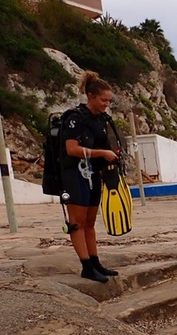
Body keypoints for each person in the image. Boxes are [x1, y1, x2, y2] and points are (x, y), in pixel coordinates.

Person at [61, 71, 121, 283]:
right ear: (90, 96)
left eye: (109, 101)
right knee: (76, 222)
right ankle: (86, 266)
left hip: (93, 174)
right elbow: (71, 149)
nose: (106, 104)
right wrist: (101, 154)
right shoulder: (75, 118)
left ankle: (95, 261)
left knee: (90, 221)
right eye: (103, 100)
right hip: (75, 174)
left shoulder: (101, 119)